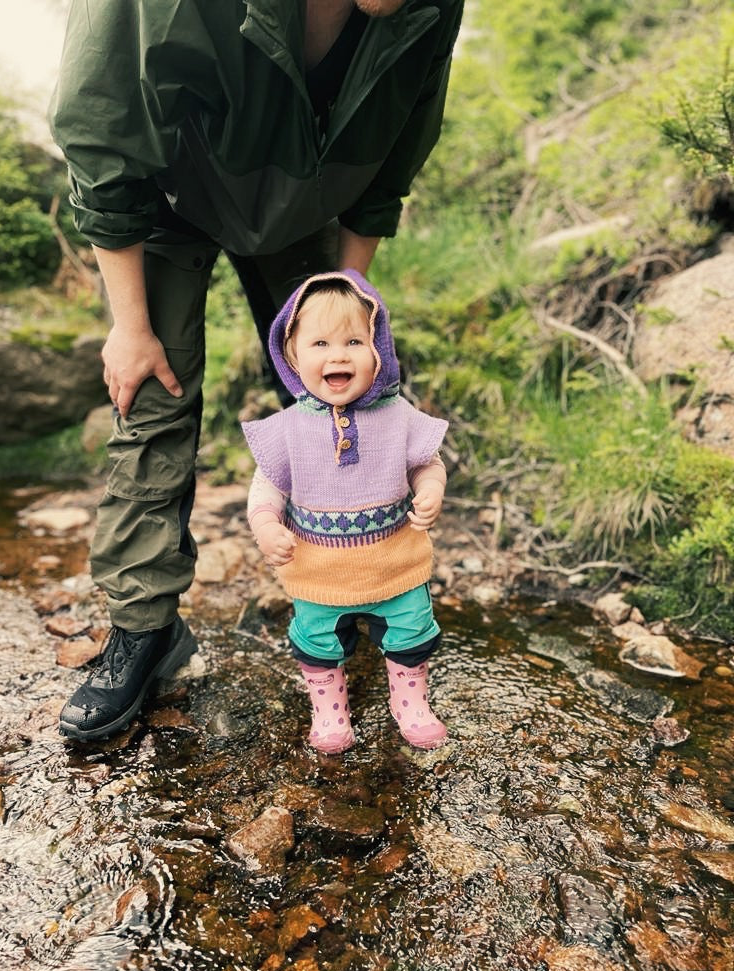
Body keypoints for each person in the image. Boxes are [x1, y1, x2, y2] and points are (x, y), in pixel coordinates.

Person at [49, 0, 464, 741]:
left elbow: (395, 148)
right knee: (153, 399)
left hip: (303, 205)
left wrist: (347, 310)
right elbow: (99, 121)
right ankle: (145, 633)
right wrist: (131, 327)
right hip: (164, 200)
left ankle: (365, 587)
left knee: (351, 400)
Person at [243, 270, 448, 752]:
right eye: (319, 343)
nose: (337, 355)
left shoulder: (398, 415)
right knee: (316, 643)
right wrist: (265, 524)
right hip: (318, 572)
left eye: (354, 340)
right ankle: (330, 710)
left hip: (396, 564)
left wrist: (431, 489)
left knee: (412, 632)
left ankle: (410, 700)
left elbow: (427, 463)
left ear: (379, 350)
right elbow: (266, 489)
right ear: (291, 356)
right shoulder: (288, 428)